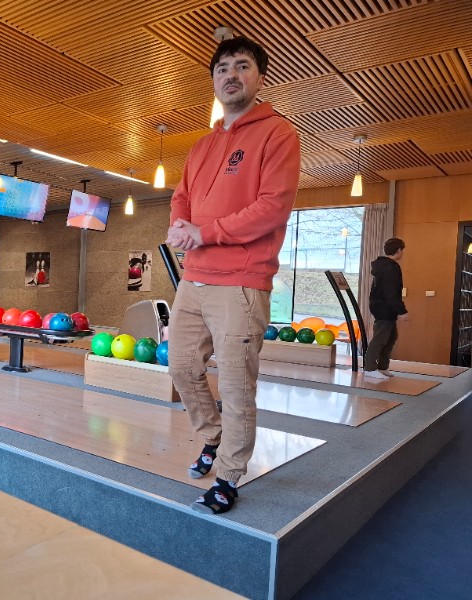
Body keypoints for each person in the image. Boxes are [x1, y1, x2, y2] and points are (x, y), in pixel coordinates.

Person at [164, 36, 301, 514]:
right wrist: (179, 226)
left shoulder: (278, 133)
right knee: (181, 367)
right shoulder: (202, 145)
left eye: (242, 66)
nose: (231, 75)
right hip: (194, 279)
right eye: (222, 68)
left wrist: (206, 233)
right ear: (214, 80)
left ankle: (228, 476)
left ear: (259, 77)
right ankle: (212, 436)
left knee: (237, 386)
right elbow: (181, 196)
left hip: (241, 281)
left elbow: (272, 207)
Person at [364, 238, 408, 379]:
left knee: (391, 337)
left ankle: (382, 367)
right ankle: (370, 368)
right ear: (399, 250)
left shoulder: (383, 265)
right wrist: (401, 310)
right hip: (384, 307)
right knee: (380, 338)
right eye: (402, 250)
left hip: (381, 305)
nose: (403, 253)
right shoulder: (391, 267)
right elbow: (391, 292)